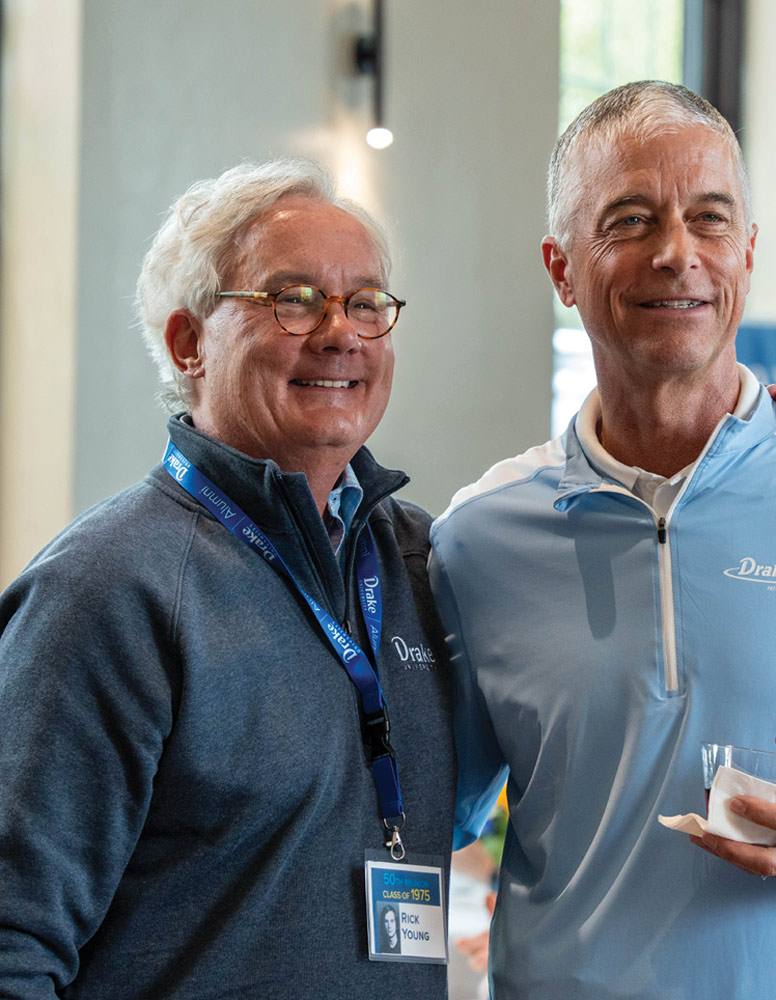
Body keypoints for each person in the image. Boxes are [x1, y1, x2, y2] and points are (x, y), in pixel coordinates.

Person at [428, 81, 776, 1000]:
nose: (676, 254)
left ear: (747, 251)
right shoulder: (478, 541)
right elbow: (426, 813)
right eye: (629, 220)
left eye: (709, 218)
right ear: (560, 267)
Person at [0, 160, 456, 998]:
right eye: (293, 299)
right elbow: (12, 938)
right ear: (188, 343)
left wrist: (764, 428)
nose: (341, 332)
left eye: (365, 303)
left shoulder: (428, 566)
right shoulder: (105, 591)